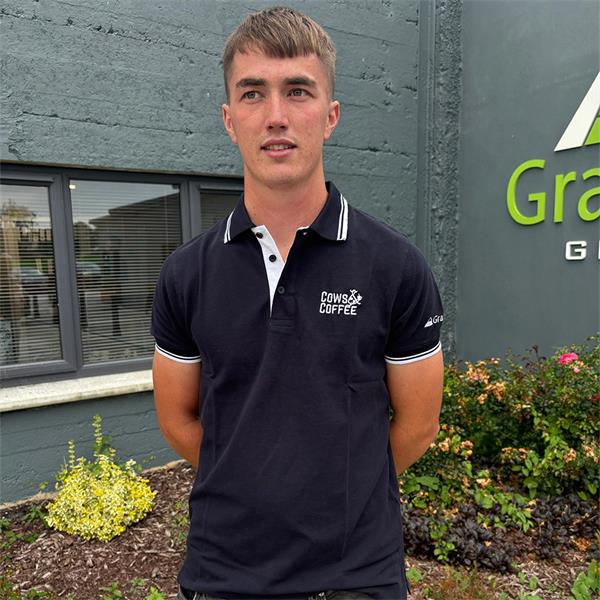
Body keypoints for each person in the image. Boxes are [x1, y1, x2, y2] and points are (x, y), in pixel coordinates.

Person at [151, 6, 444, 600]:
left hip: (355, 577)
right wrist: (247, 478)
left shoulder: (396, 265)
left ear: (330, 115)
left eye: (298, 91)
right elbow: (177, 420)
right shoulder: (185, 274)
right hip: (223, 573)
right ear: (230, 120)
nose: (276, 116)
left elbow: (418, 426)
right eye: (252, 93)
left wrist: (337, 492)